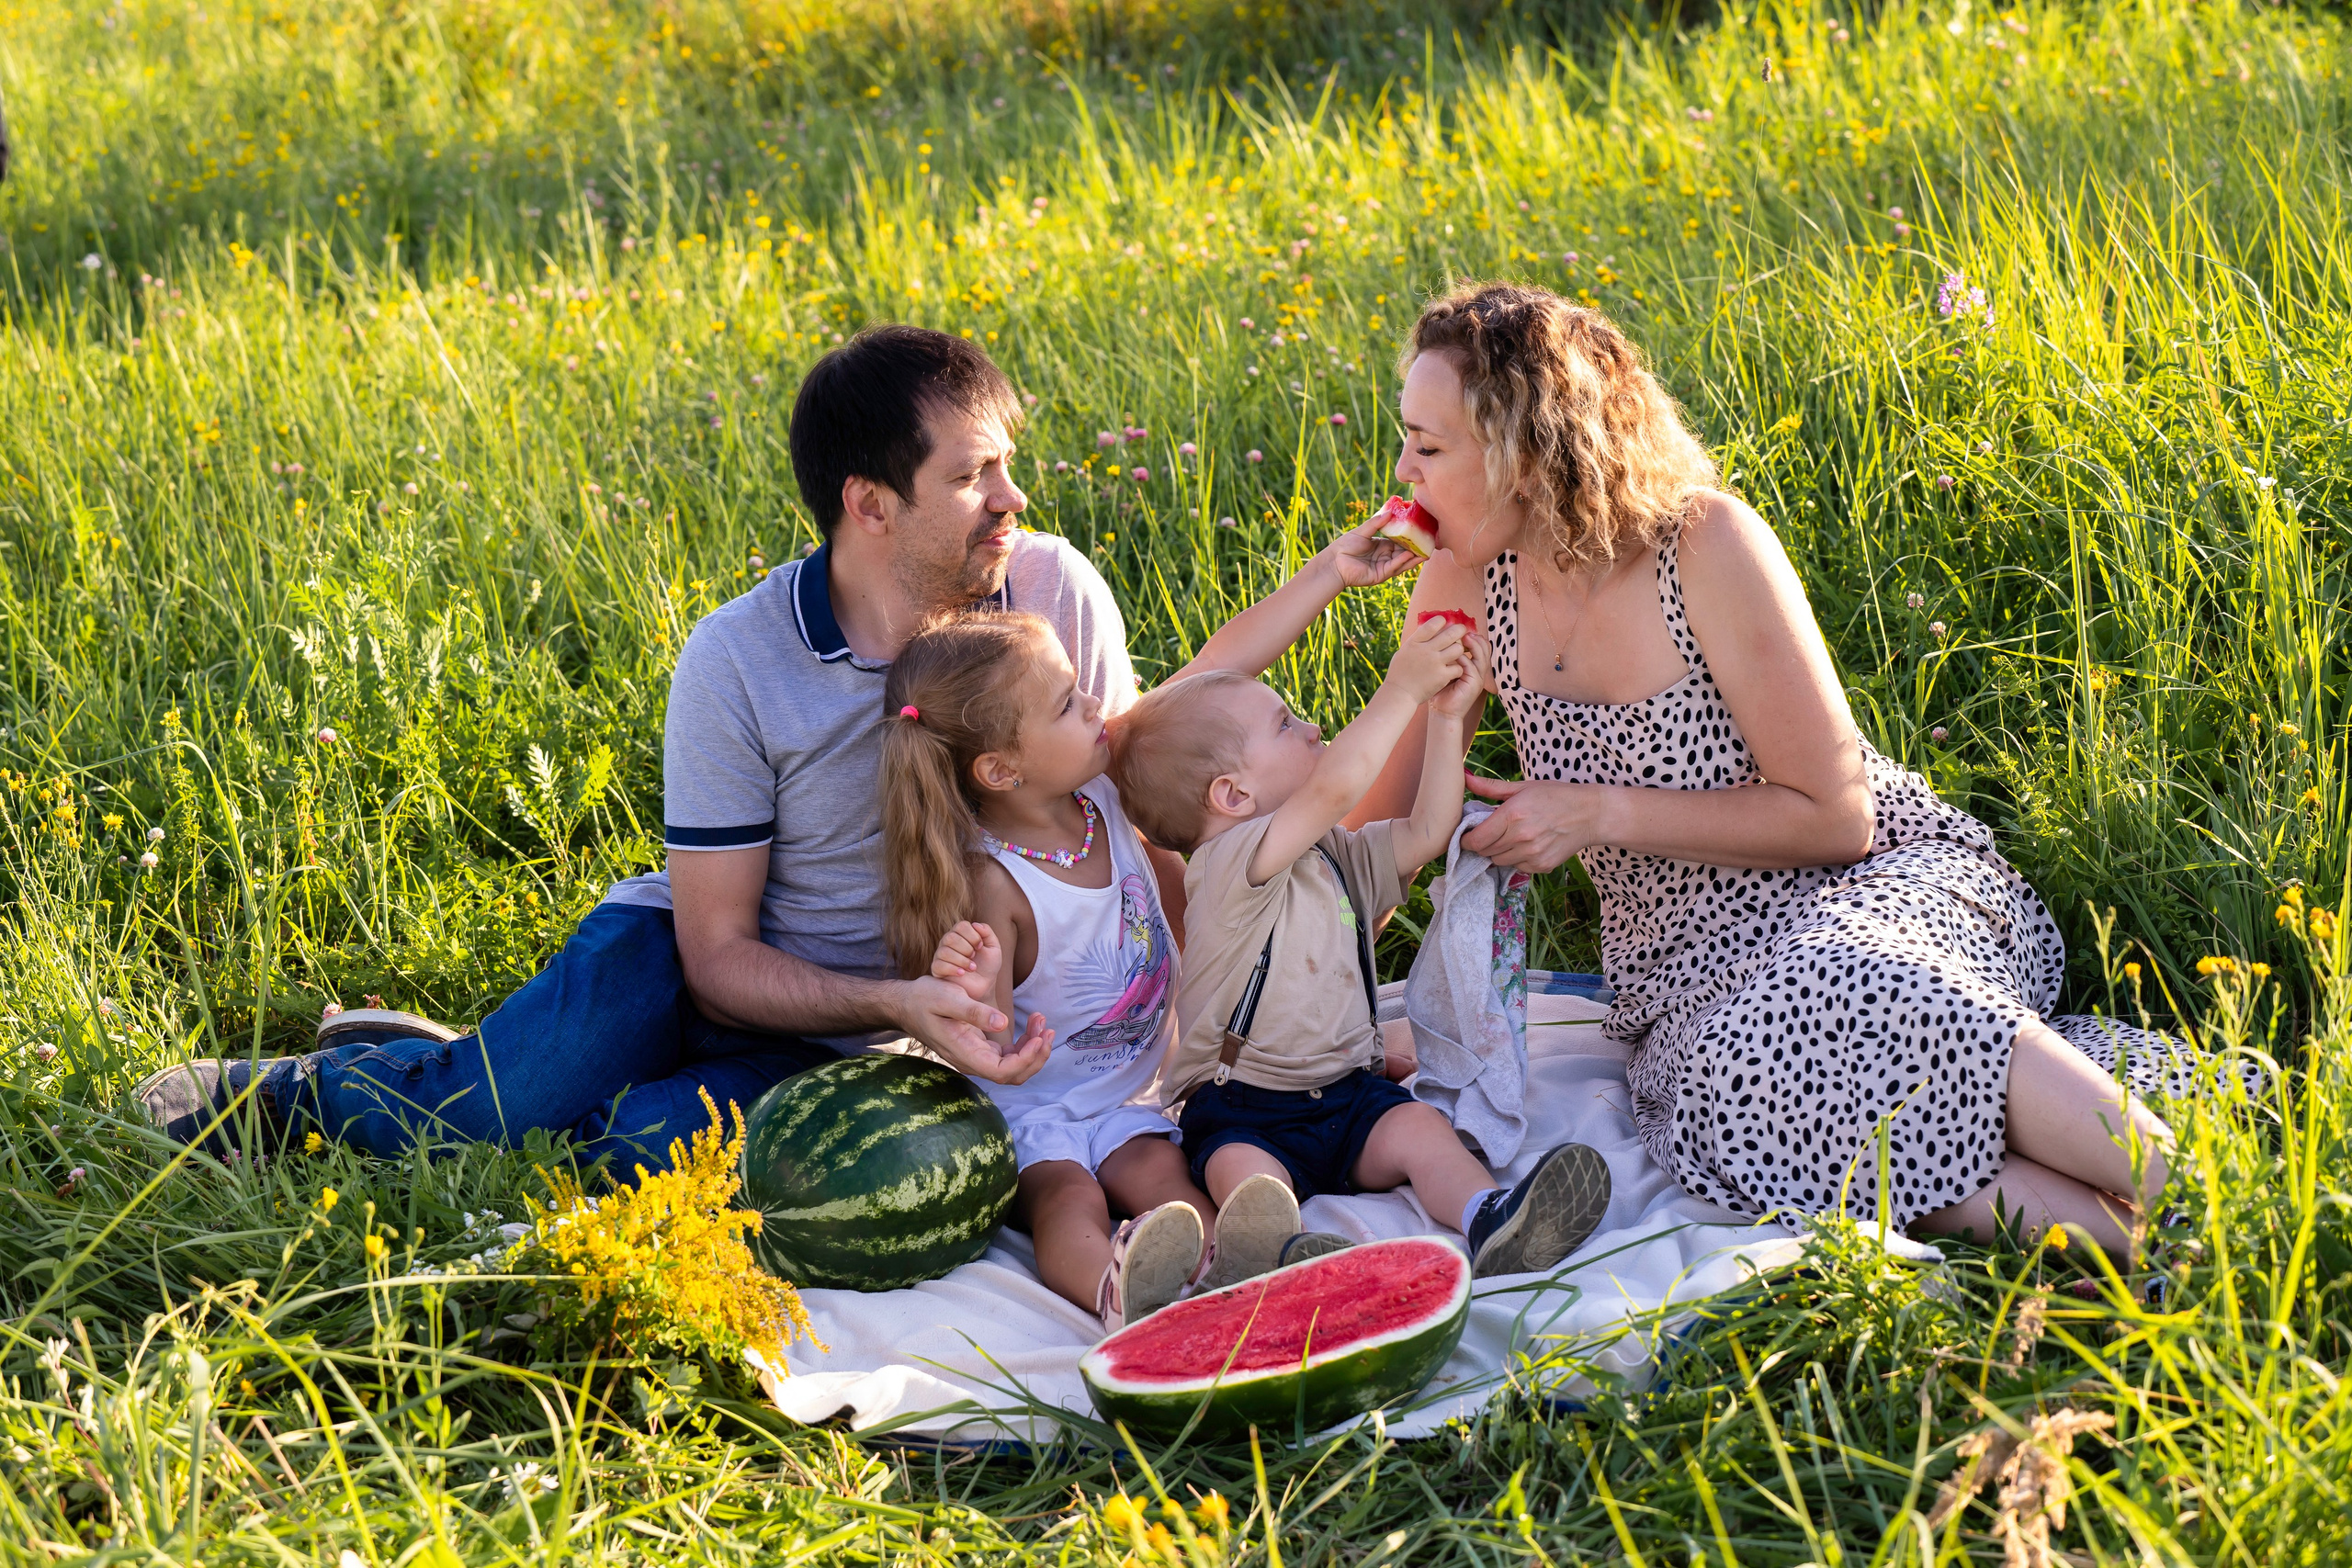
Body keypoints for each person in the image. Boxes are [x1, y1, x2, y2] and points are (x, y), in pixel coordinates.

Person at [137, 325, 1162, 1173]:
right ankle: (309, 1091)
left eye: (1007, 467)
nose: (1012, 501)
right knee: (487, 1117)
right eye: (975, 474)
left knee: (623, 1152)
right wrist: (891, 997)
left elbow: (1127, 812)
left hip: (861, 1041)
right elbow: (715, 956)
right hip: (689, 962)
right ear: (870, 504)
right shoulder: (737, 658)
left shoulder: (1050, 593)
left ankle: (460, 1066)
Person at [1358, 280, 2190, 1259]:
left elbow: (1836, 817)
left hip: (1864, 887)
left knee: (1845, 980)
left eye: (1429, 444)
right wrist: (1312, 1024)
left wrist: (1598, 812)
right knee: (1730, 1106)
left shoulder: (1700, 545)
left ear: (1523, 451)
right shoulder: (1463, 578)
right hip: (1681, 981)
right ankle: (2157, 1246)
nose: (1403, 471)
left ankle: (2187, 1183)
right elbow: (1374, 835)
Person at [882, 509, 1422, 1327]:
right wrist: (972, 979)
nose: (1096, 704)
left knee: (1171, 1186)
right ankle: (1114, 1289)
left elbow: (1222, 665)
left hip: (1139, 1094)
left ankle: (1234, 1273)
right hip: (1043, 1112)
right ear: (1001, 768)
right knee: (1067, 1201)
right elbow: (986, 1025)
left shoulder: (1102, 785)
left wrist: (1328, 574)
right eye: (1068, 703)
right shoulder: (995, 882)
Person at [1110, 613, 1615, 1279]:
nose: (1312, 726)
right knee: (1246, 1176)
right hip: (1244, 1106)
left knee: (1420, 1132)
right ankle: (1278, 1255)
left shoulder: (1333, 855)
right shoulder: (1227, 865)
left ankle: (1490, 1219)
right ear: (1232, 795)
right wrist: (1399, 688)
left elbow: (1428, 831)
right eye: (1285, 724)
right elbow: (1336, 786)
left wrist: (1442, 715)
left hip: (1347, 1095)